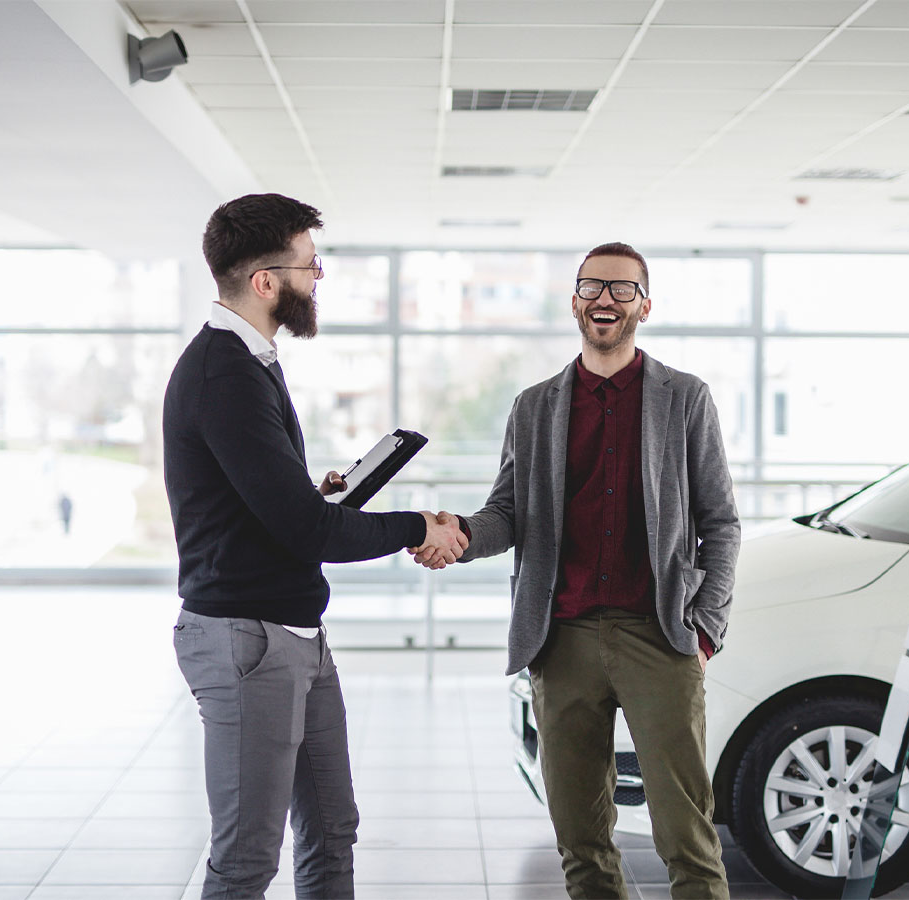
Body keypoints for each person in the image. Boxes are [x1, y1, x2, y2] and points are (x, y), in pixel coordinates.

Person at [163, 192, 466, 900]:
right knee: (246, 859)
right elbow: (307, 533)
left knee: (333, 830)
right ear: (266, 281)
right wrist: (417, 526)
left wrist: (316, 492)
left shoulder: (251, 359)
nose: (317, 279)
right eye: (310, 266)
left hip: (294, 633)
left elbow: (271, 506)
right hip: (248, 640)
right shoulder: (224, 373)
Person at [414, 242, 739, 899]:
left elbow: (722, 524)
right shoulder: (534, 407)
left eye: (622, 290)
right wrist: (462, 534)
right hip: (560, 642)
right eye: (592, 287)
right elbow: (508, 513)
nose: (605, 300)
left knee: (688, 840)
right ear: (573, 301)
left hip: (660, 637)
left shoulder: (685, 398)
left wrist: (704, 630)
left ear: (645, 306)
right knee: (581, 846)